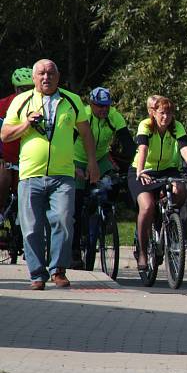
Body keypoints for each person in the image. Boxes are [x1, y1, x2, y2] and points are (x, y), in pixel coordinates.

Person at [0, 59, 100, 290]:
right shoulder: (21, 101)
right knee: (31, 226)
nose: (46, 77)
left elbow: (86, 135)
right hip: (29, 174)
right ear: (34, 78)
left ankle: (58, 270)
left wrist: (92, 163)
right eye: (42, 74)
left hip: (62, 174)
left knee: (64, 220)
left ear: (58, 76)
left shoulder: (72, 100)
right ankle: (37, 274)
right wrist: (26, 124)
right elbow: (5, 135)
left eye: (51, 73)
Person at [128, 96, 187, 272]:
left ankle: (167, 220)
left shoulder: (176, 127)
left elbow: (185, 149)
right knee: (146, 207)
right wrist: (140, 171)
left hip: (167, 169)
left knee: (180, 189)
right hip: (143, 169)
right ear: (153, 113)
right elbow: (143, 149)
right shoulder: (146, 125)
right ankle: (142, 253)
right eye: (162, 113)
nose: (165, 117)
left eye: (169, 113)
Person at [71, 87, 136, 268]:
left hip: (100, 159)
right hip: (78, 159)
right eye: (99, 106)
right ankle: (75, 250)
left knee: (115, 182)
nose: (104, 110)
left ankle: (106, 217)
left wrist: (133, 165)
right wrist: (74, 167)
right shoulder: (82, 115)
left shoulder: (114, 116)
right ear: (91, 104)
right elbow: (67, 142)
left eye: (107, 106)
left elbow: (128, 144)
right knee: (76, 204)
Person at [0, 68, 35, 210]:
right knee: (2, 175)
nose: (27, 92)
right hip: (6, 156)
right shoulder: (3, 105)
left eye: (31, 88)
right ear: (15, 88)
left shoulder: (42, 104)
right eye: (23, 89)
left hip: (29, 158)